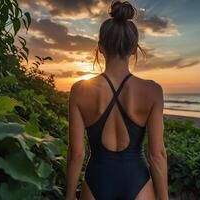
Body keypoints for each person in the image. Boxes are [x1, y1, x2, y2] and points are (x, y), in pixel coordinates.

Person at [65, 1, 168, 200]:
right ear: (133, 50)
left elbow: (77, 153)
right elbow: (157, 154)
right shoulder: (153, 91)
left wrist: (69, 197)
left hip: (96, 181)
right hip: (137, 182)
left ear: (100, 48)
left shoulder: (79, 90)